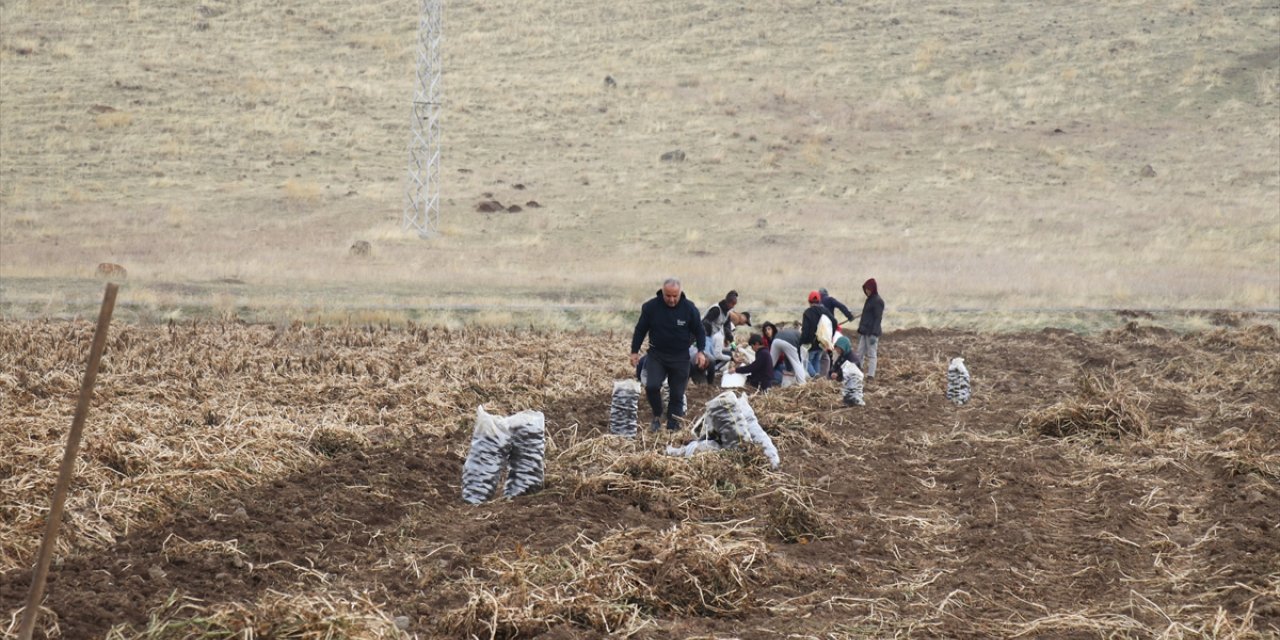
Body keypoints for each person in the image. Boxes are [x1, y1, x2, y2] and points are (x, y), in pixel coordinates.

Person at [631, 278, 709, 431]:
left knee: (677, 394)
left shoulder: (689, 308)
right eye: (668, 296)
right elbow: (640, 330)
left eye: (675, 296)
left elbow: (700, 331)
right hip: (657, 355)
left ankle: (673, 427)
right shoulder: (651, 307)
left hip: (680, 357)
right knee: (652, 386)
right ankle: (657, 415)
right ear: (663, 293)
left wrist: (701, 351)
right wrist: (634, 351)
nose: (672, 300)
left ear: (680, 293)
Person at [700, 291, 739, 384]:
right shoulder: (716, 310)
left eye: (734, 304)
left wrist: (732, 341)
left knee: (728, 353)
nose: (733, 306)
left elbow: (727, 327)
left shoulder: (728, 312)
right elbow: (705, 322)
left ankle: (714, 370)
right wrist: (707, 336)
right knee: (712, 358)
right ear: (727, 302)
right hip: (708, 337)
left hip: (715, 337)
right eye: (732, 304)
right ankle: (707, 378)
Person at [852, 278, 884, 380]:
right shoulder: (869, 299)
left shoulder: (878, 301)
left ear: (873, 289)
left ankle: (871, 375)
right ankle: (857, 372)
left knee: (872, 354)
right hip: (864, 331)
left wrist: (874, 334)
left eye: (869, 289)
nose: (867, 291)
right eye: (866, 289)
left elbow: (878, 318)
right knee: (860, 352)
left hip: (871, 333)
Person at [799, 291, 836, 378]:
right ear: (819, 301)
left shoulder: (807, 313)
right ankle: (817, 381)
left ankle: (815, 377)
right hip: (821, 343)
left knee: (806, 361)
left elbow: (805, 330)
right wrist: (830, 336)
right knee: (817, 361)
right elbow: (834, 322)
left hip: (810, 343)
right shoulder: (824, 311)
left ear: (809, 301)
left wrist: (801, 342)